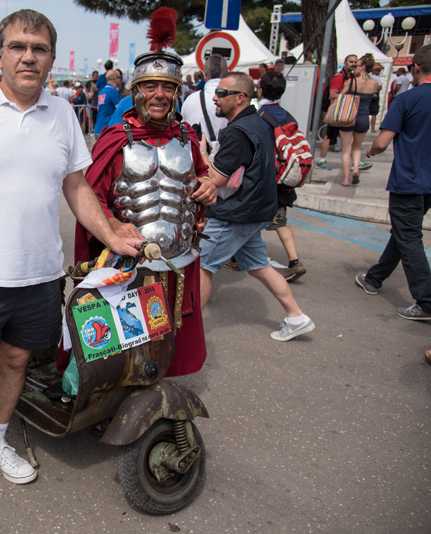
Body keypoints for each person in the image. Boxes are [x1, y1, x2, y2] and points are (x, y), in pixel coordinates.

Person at [0, 9, 142, 508]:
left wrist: (110, 233)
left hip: (39, 273)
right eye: (18, 47)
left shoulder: (61, 112)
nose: (28, 57)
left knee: (17, 361)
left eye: (38, 49)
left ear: (51, 60)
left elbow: (76, 185)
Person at [72, 9, 216, 380]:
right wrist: (116, 226)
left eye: (168, 87)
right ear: (136, 92)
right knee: (123, 346)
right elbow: (91, 198)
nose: (159, 95)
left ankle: (162, 391)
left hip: (177, 262)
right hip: (129, 266)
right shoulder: (116, 139)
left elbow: (200, 181)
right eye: (150, 86)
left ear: (177, 92)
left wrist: (209, 188)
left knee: (169, 341)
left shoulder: (187, 137)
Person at [198, 72, 315, 341]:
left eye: (222, 93)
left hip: (235, 213)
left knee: (202, 266)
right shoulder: (258, 121)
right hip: (256, 210)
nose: (215, 98)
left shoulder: (238, 131)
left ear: (240, 97)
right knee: (259, 265)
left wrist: (203, 152)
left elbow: (214, 179)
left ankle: (187, 333)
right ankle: (296, 317)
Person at [356, 44, 431, 321]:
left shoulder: (407, 99)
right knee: (403, 231)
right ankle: (375, 278)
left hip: (409, 180)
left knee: (409, 237)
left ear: (415, 68)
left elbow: (382, 141)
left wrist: (371, 150)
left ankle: (426, 300)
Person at [258, 72, 306, 282]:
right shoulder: (288, 116)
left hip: (265, 179)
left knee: (248, 219)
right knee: (280, 220)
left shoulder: (259, 116)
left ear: (260, 90)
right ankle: (294, 261)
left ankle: (236, 257)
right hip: (283, 178)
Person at [338, 54, 379, 187]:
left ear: (362, 67)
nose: (354, 68)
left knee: (346, 149)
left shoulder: (352, 82)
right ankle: (356, 169)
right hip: (363, 117)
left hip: (349, 117)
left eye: (356, 65)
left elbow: (340, 97)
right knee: (357, 148)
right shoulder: (374, 83)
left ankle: (346, 178)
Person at [315, 54, 357, 172]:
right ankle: (321, 160)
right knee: (329, 136)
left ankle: (354, 161)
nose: (353, 64)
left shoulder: (352, 78)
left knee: (351, 137)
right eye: (351, 62)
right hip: (338, 112)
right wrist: (346, 96)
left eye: (355, 62)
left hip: (346, 112)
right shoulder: (339, 78)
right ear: (345, 63)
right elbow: (332, 95)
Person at [181, 54, 228, 156]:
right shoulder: (233, 100)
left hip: (197, 162)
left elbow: (183, 134)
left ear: (204, 76)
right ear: (226, 74)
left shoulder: (190, 100)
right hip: (227, 162)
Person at [94, 69, 122, 137]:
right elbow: (120, 110)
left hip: (98, 128)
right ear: (116, 79)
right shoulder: (112, 91)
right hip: (107, 130)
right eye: (120, 77)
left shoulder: (102, 91)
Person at [369, 64, 383, 133]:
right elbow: (379, 87)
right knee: (374, 113)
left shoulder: (368, 77)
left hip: (367, 95)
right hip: (375, 95)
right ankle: (372, 129)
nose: (379, 72)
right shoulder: (377, 78)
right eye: (377, 70)